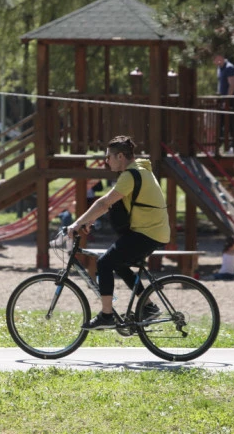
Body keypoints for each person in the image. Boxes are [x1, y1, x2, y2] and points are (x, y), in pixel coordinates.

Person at [67, 135, 170, 330]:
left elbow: (104, 202)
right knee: (118, 264)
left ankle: (106, 316)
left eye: (108, 157)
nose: (106, 161)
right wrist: (90, 219)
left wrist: (77, 223)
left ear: (120, 156)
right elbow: (112, 203)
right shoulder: (140, 170)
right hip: (152, 231)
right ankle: (148, 307)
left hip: (147, 233)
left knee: (104, 263)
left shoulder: (130, 175)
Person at [214, 54, 234, 152]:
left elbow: (232, 85)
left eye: (214, 58)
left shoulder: (229, 67)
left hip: (230, 101)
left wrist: (226, 100)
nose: (213, 61)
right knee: (220, 123)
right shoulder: (219, 68)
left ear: (220, 57)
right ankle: (219, 146)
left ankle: (233, 147)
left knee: (231, 123)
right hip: (222, 99)